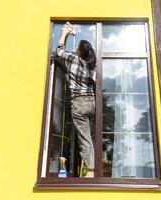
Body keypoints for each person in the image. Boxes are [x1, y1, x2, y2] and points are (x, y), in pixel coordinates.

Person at [56, 23, 96, 178]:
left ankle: (90, 174)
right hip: (91, 102)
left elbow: (59, 51)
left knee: (84, 140)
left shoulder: (72, 59)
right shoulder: (91, 65)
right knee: (90, 137)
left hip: (79, 103)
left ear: (78, 51)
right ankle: (92, 169)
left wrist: (65, 33)